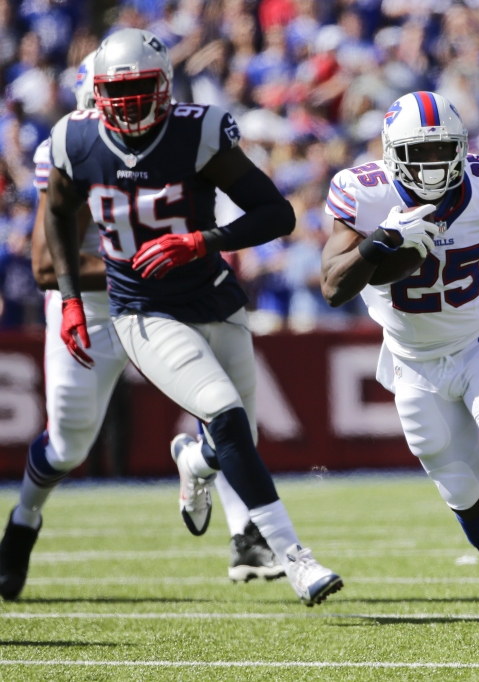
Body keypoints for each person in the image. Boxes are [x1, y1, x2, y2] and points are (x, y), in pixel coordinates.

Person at [39, 28, 340, 606]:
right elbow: (55, 213)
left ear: (166, 87)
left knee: (235, 438)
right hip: (143, 311)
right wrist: (73, 299)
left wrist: (202, 241)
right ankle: (295, 557)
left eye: (140, 89)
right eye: (116, 91)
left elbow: (277, 214)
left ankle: (192, 458)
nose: (128, 104)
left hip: (214, 297)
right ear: (96, 92)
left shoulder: (196, 132)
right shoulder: (73, 140)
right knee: (226, 416)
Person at [0, 51, 284, 602]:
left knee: (224, 410)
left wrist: (187, 253)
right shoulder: (75, 150)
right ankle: (23, 521)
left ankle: (245, 533)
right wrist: (140, 262)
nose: (130, 128)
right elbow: (43, 265)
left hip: (169, 299)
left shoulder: (173, 141)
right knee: (68, 445)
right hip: (96, 307)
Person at [320, 91, 479, 642]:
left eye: (444, 149)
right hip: (411, 361)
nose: (433, 164)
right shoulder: (364, 194)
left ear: (463, 147)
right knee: (463, 494)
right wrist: (381, 241)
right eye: (420, 152)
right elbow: (332, 287)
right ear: (392, 154)